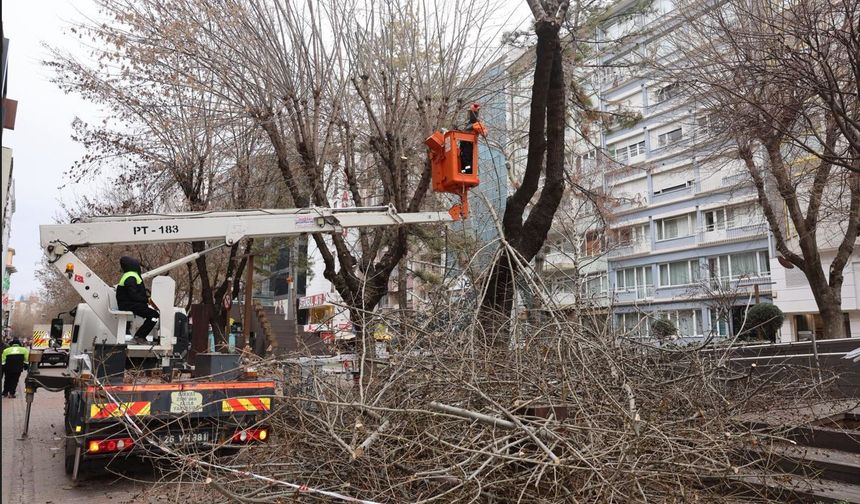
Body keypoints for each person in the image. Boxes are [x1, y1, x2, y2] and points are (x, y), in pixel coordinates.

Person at [116, 256, 159, 345]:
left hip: (128, 304)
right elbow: (134, 295)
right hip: (129, 304)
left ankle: (140, 336)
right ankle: (140, 336)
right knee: (154, 316)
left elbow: (135, 294)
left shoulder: (129, 275)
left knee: (152, 315)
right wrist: (146, 300)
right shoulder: (131, 277)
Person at [458, 103, 481, 174]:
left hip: (469, 144)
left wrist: (481, 131)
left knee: (467, 160)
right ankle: (463, 171)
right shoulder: (468, 124)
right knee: (463, 159)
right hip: (463, 144)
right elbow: (464, 132)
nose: (470, 115)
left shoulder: (477, 124)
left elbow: (484, 132)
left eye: (472, 113)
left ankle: (468, 172)